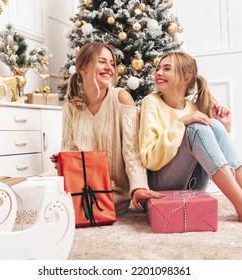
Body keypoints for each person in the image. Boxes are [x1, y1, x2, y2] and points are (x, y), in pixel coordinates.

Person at [139, 51, 242, 231]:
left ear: (187, 78)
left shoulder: (193, 108)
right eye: (158, 68)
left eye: (167, 68)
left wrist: (225, 127)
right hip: (160, 185)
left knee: (214, 124)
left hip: (193, 185)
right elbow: (150, 158)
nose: (159, 73)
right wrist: (181, 124)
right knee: (197, 127)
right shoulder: (151, 102)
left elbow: (214, 155)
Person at [50, 42, 160, 215]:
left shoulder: (122, 98)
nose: (109, 68)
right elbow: (69, 148)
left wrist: (138, 187)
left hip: (112, 192)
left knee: (65, 208)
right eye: (102, 61)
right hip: (80, 186)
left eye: (112, 63)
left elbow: (133, 153)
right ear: (82, 67)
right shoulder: (71, 106)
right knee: (39, 192)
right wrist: (64, 160)